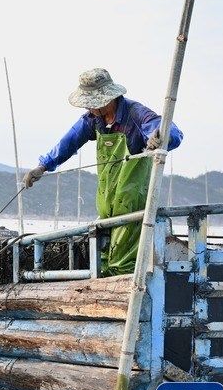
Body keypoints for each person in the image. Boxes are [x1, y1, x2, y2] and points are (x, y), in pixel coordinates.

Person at [23, 68, 183, 276]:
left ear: (107, 97)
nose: (89, 107)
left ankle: (129, 296)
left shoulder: (135, 114)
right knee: (102, 257)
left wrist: (160, 137)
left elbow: (172, 132)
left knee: (123, 261)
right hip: (107, 201)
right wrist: (43, 166)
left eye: (92, 102)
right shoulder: (93, 120)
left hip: (131, 201)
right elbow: (69, 141)